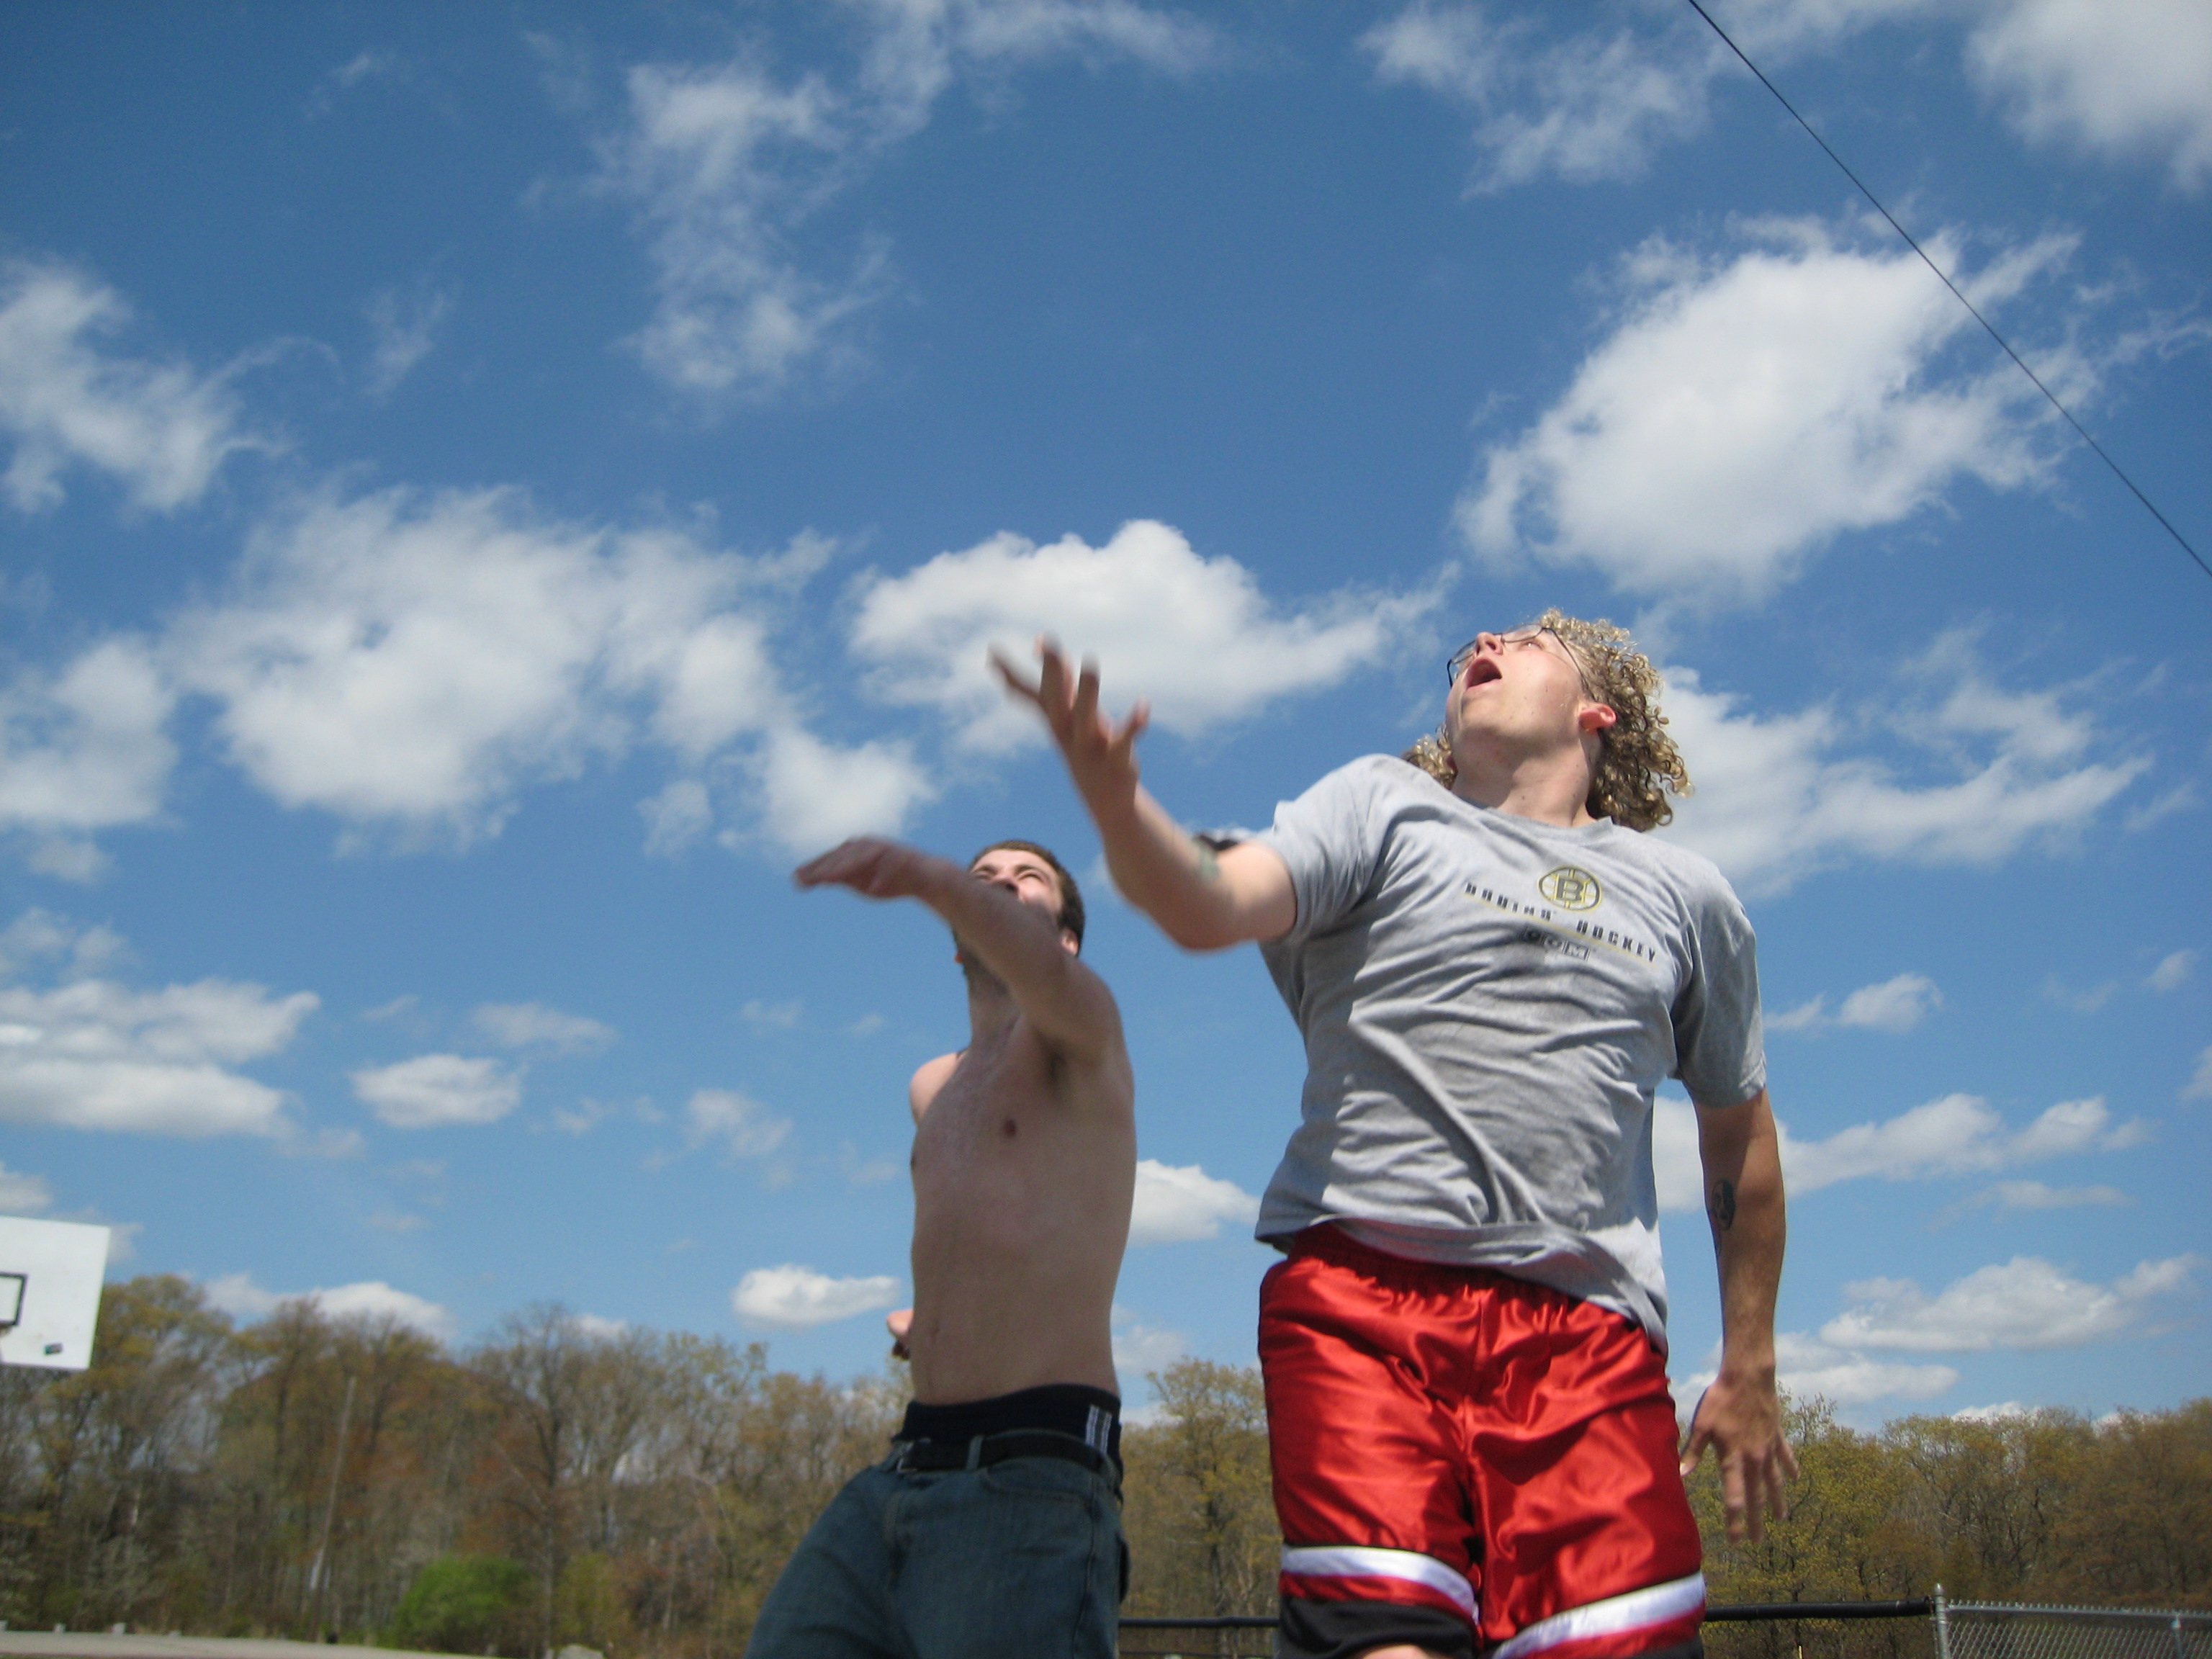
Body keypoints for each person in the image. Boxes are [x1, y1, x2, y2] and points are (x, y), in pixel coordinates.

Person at [997, 613, 1795, 1659]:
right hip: (1361, 1305)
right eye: (1477, 641)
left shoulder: (1689, 899)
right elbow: (1204, 898)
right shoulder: (1380, 808)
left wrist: (1750, 1366)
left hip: (1589, 1345)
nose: (1485, 640)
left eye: (1527, 639)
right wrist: (1115, 798)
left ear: (1598, 710)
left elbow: (1739, 1144)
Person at [745, 836, 1136, 1659]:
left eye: (1026, 882)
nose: (999, 887)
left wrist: (932, 877)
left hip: (1035, 1475)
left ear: (1065, 940)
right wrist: (933, 1321)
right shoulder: (935, 1086)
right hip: (909, 1461)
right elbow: (985, 1223)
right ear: (956, 942)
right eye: (983, 881)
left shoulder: (1082, 1034)